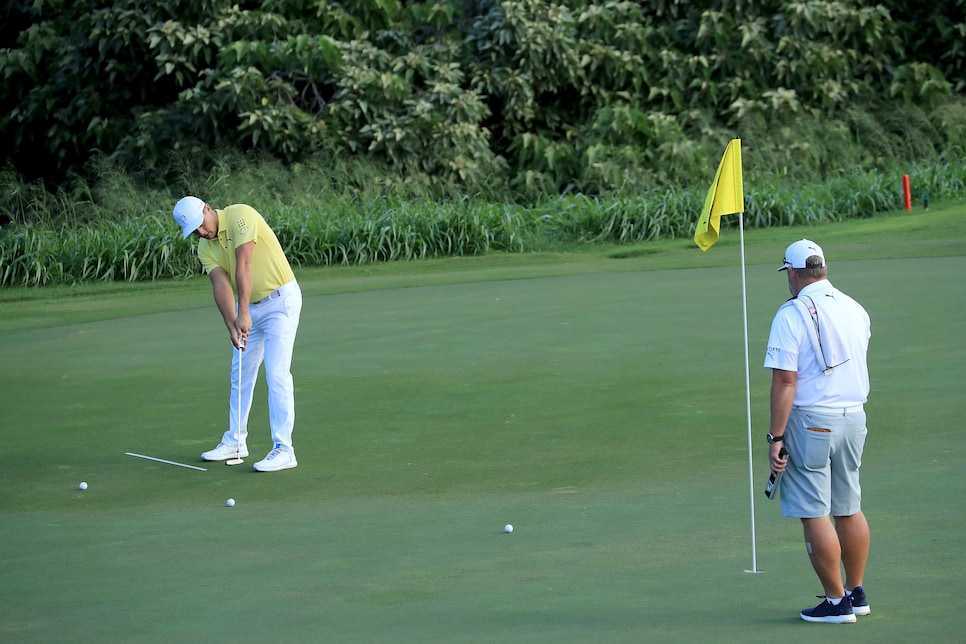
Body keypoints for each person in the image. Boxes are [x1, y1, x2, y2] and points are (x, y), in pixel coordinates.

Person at [764, 239, 872, 624]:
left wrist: (776, 438)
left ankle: (836, 601)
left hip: (812, 420)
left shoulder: (790, 314)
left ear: (792, 273)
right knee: (848, 506)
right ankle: (856, 592)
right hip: (853, 417)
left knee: (814, 511)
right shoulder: (855, 308)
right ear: (822, 269)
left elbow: (785, 381)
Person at [173, 196, 302, 472]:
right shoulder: (204, 247)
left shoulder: (240, 215)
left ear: (208, 209)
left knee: (277, 374)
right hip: (249, 307)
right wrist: (232, 323)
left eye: (200, 224)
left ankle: (284, 449)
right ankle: (235, 441)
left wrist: (243, 313)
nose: (200, 232)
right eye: (193, 231)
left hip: (281, 301)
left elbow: (244, 264)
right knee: (240, 373)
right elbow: (220, 285)